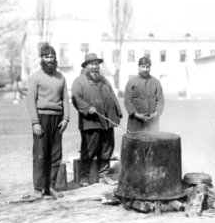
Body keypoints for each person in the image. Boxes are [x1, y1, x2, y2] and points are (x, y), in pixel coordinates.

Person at [71, 53, 122, 187]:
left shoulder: (105, 80)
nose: (95, 67)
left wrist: (118, 113)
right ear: (86, 66)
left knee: (107, 148)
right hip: (91, 122)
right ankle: (84, 176)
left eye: (96, 64)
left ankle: (104, 174)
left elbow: (112, 96)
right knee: (89, 149)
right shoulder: (79, 82)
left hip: (107, 121)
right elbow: (76, 98)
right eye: (92, 64)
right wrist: (87, 108)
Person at [26, 43, 69, 199]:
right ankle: (38, 189)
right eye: (46, 56)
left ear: (55, 58)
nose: (49, 59)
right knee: (40, 155)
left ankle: (50, 187)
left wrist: (66, 118)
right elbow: (30, 101)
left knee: (56, 154)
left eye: (52, 56)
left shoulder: (61, 77)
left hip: (57, 119)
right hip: (41, 118)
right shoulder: (35, 77)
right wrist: (35, 122)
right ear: (42, 59)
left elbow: (65, 98)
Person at [124, 56, 164, 132]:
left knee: (152, 141)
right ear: (138, 67)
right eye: (143, 67)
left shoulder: (156, 82)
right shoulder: (131, 82)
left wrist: (155, 114)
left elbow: (160, 100)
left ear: (150, 68)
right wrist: (137, 115)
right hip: (135, 122)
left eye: (147, 67)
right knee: (135, 141)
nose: (145, 69)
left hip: (152, 121)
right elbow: (128, 101)